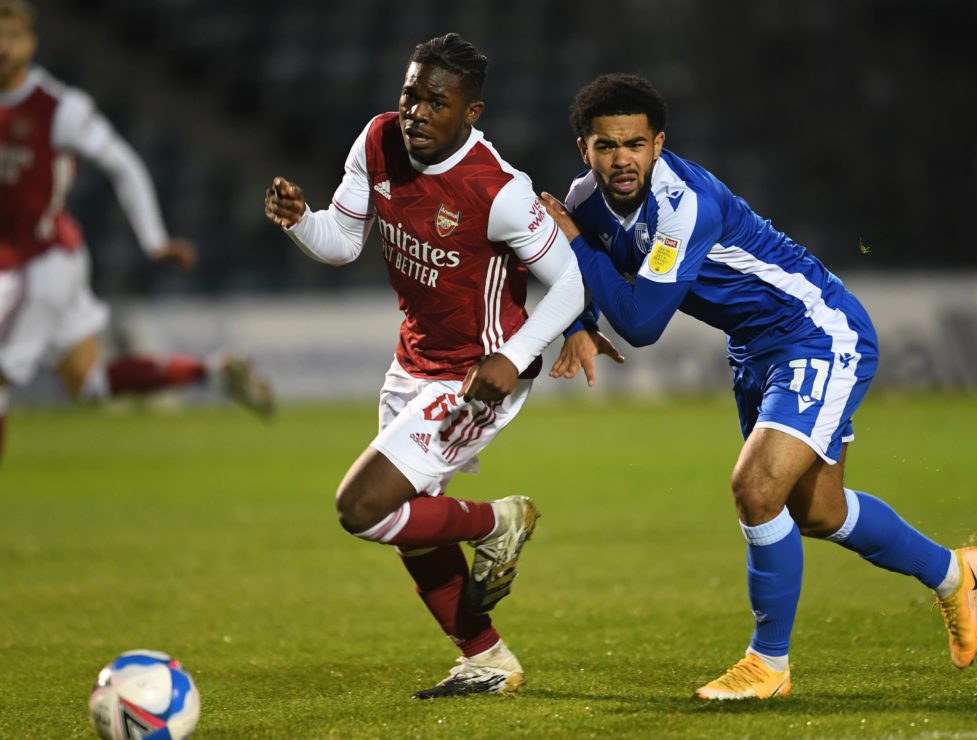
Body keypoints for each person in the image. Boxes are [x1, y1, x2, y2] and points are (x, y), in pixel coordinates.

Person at [539, 73, 977, 700]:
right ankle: (955, 573)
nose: (623, 160)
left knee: (755, 490)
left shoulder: (683, 203)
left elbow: (643, 322)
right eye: (606, 146)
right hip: (755, 348)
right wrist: (584, 321)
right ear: (584, 149)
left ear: (659, 143)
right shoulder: (586, 199)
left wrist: (573, 246)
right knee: (819, 511)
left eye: (636, 144)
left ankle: (768, 664)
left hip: (815, 333)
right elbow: (590, 264)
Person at [264, 33, 593, 699]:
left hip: (478, 379)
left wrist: (514, 355)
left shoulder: (497, 191)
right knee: (410, 527)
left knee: (362, 506)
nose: (415, 111)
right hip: (412, 362)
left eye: (435, 102)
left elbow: (572, 284)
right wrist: (303, 222)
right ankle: (487, 658)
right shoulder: (379, 140)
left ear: (470, 113)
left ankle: (498, 520)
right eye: (410, 94)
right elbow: (344, 242)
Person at [0, 0, 273, 463]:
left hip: (37, 262)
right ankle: (212, 371)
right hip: (38, 258)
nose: (3, 47)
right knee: (89, 384)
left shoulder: (58, 107)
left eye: (12, 36)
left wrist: (153, 239)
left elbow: (122, 163)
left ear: (32, 42)